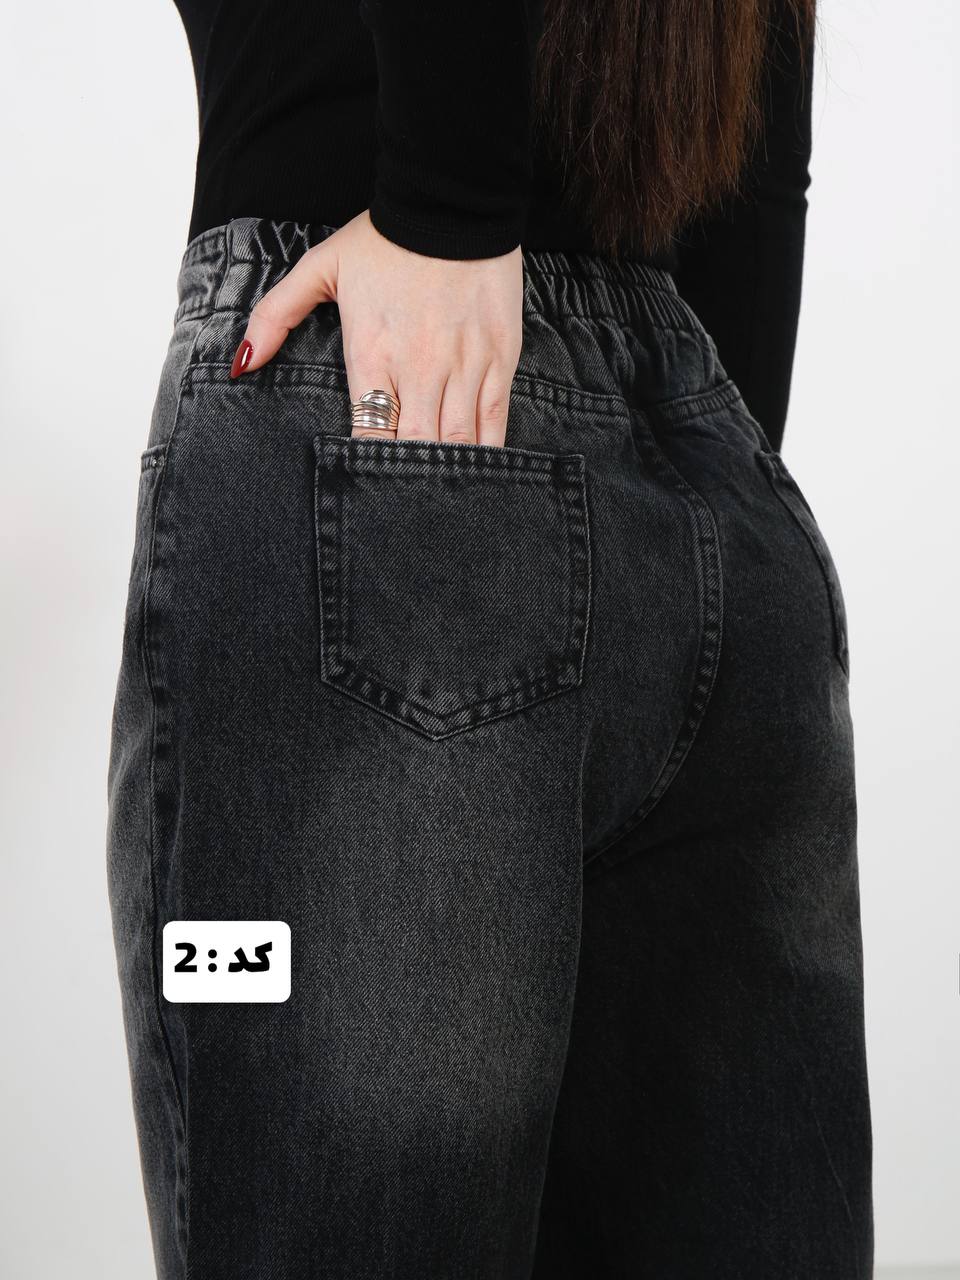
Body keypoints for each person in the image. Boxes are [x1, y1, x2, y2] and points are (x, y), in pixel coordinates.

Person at [106, 1, 872, 1276]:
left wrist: (447, 205)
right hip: (713, 486)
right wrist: (710, 448)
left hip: (383, 396)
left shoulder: (436, 228)